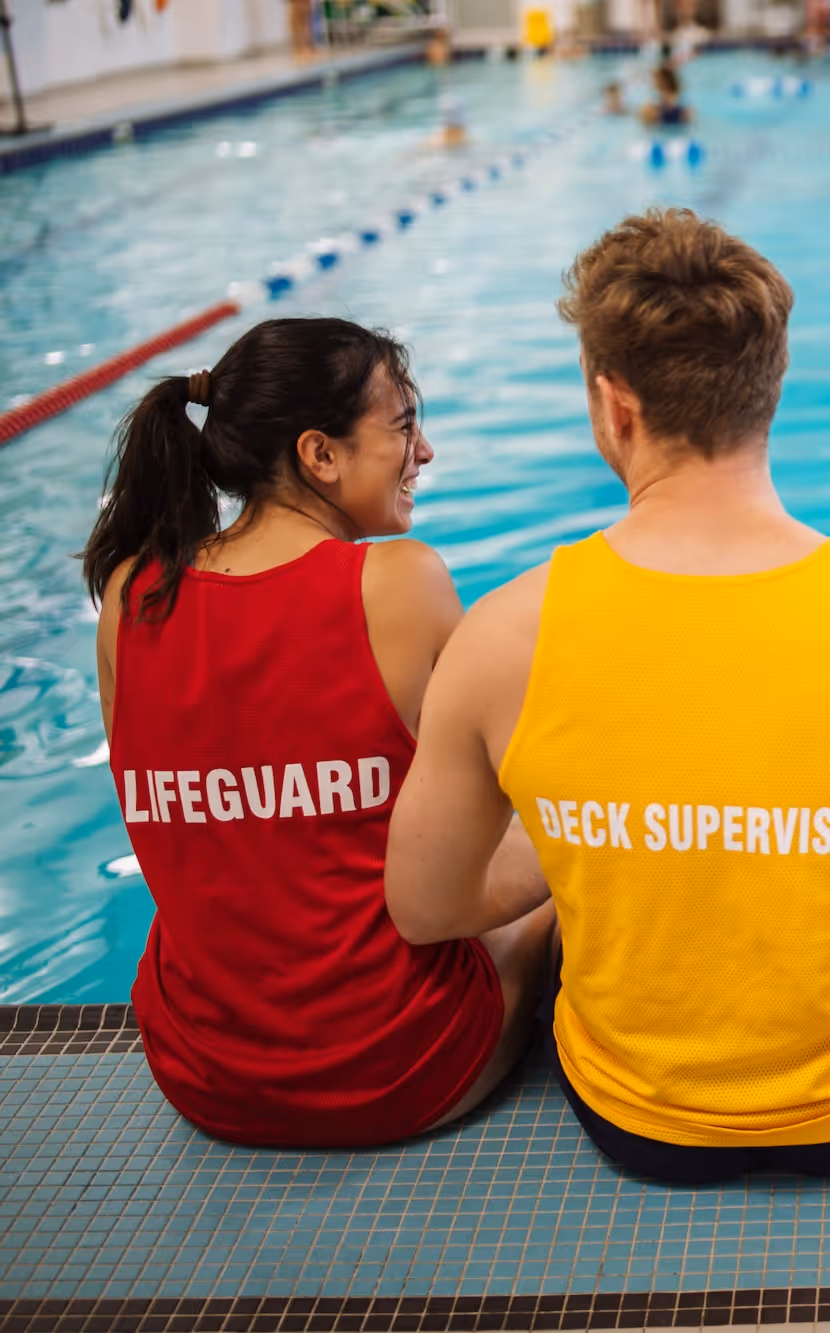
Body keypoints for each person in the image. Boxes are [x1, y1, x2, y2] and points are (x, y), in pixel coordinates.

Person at [383, 209, 830, 1185]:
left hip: (634, 1121)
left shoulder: (501, 635)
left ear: (611, 404)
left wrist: (604, 830)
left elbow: (425, 906)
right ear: (771, 386)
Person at [79, 319, 554, 1149]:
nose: (427, 451)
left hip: (204, 1070)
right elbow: (510, 799)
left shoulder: (131, 596)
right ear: (319, 455)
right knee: (571, 839)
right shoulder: (396, 582)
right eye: (404, 427)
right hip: (399, 1064)